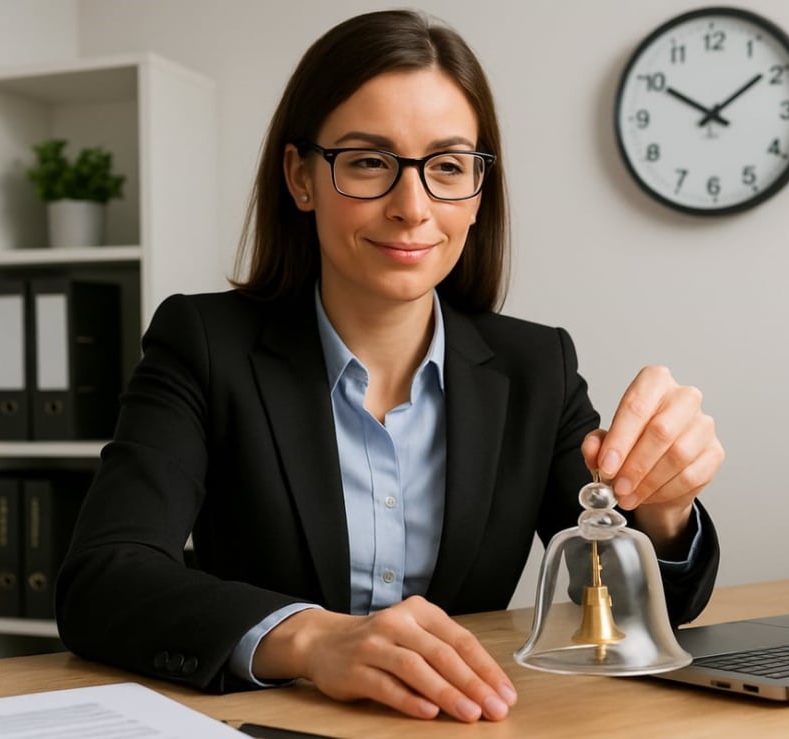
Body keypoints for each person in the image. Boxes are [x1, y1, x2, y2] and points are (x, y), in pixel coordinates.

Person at [56, 9, 724, 724]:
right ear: (301, 176)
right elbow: (104, 581)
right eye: (369, 161)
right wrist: (312, 638)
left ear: (476, 191)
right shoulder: (203, 342)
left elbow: (635, 612)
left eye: (446, 167)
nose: (412, 207)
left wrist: (663, 511)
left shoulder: (538, 367)